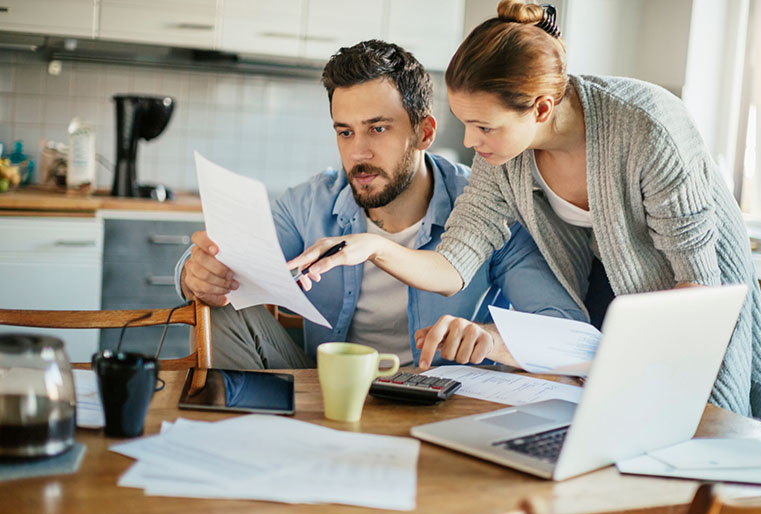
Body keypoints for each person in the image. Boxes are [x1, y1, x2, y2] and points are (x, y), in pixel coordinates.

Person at [289, 3, 761, 420]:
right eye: (465, 125)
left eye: (483, 127)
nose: (472, 144)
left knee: (692, 430)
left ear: (541, 110)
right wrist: (374, 248)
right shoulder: (502, 157)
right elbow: (454, 262)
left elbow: (697, 289)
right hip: (605, 293)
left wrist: (632, 364)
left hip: (685, 293)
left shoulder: (647, 129)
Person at [176, 39, 585, 371]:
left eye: (378, 128)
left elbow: (565, 329)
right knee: (219, 308)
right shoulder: (308, 202)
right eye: (345, 132)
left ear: (424, 133)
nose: (358, 152)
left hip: (441, 399)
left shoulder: (489, 208)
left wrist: (490, 337)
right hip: (326, 388)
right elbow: (227, 266)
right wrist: (195, 274)